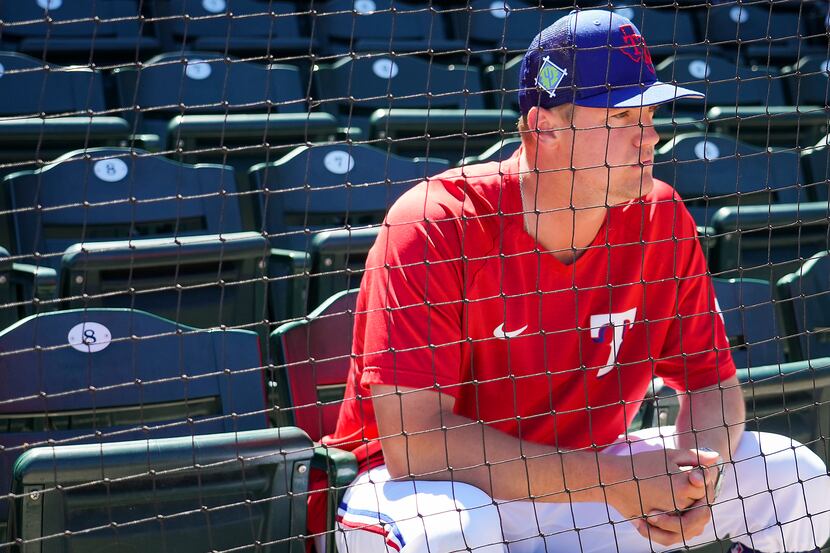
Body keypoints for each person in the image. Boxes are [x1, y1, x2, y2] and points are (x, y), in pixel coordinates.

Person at [318, 9, 830, 553]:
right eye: (621, 120)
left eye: (651, 115)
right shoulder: (434, 222)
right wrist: (615, 482)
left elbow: (711, 385)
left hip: (588, 481)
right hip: (436, 492)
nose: (650, 138)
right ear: (545, 127)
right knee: (448, 534)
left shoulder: (661, 216)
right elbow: (416, 445)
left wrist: (694, 482)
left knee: (793, 478)